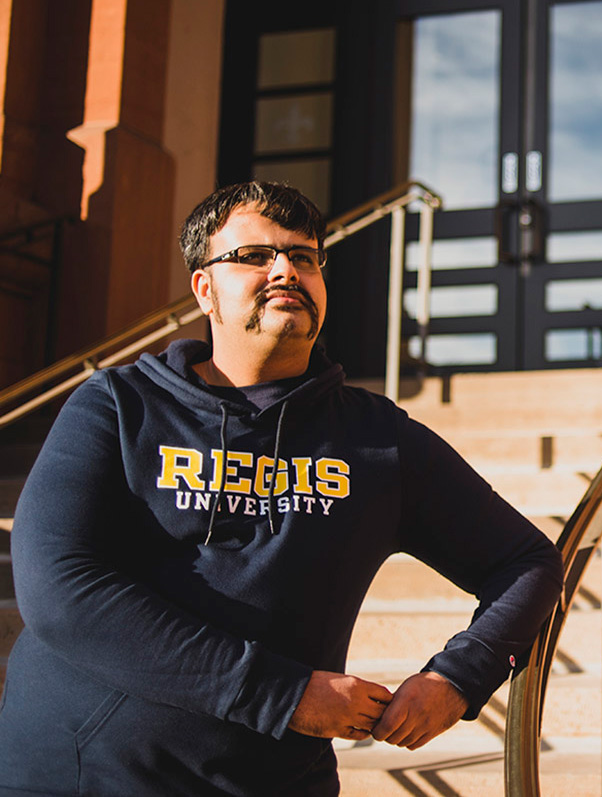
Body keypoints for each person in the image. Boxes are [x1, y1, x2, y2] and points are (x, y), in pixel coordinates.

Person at [0, 181, 564, 795]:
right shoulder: (116, 405)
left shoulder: (378, 441)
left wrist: (459, 677)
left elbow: (527, 560)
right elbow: (57, 586)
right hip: (79, 775)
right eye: (254, 256)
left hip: (272, 782)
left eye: (304, 257)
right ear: (204, 289)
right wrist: (282, 694)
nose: (285, 270)